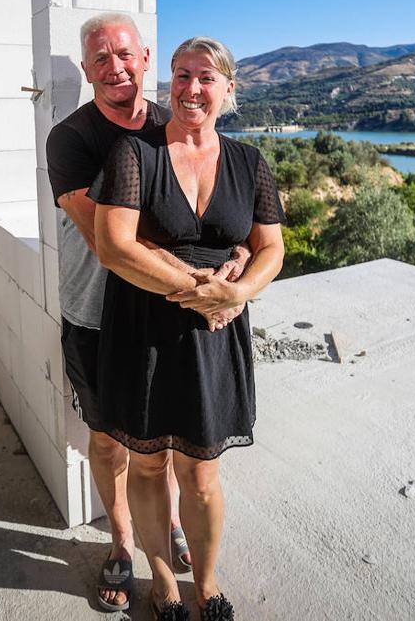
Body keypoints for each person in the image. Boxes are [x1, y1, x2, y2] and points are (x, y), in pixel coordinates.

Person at [46, 15, 250, 612]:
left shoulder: (172, 120)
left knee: (168, 442)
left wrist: (234, 261)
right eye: (101, 59)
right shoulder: (71, 139)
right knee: (111, 440)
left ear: (145, 60)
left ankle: (165, 531)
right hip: (99, 312)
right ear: (87, 72)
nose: (116, 68)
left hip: (166, 317)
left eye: (125, 55)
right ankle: (121, 542)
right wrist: (204, 290)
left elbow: (212, 216)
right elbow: (103, 239)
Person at [90, 36, 286, 620]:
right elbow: (112, 246)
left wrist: (239, 291)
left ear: (229, 89)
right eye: (180, 75)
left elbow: (271, 248)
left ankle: (206, 582)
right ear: (168, 81)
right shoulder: (134, 153)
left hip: (215, 334)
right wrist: (202, 292)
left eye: (205, 77)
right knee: (149, 464)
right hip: (142, 329)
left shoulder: (250, 163)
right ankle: (163, 581)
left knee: (201, 473)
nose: (191, 88)